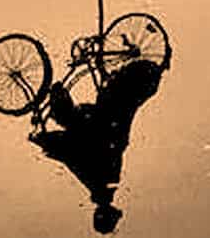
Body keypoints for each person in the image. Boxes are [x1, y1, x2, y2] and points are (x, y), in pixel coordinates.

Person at [28, 57, 165, 233]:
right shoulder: (100, 183)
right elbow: (75, 158)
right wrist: (47, 144)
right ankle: (61, 91)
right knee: (66, 114)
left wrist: (50, 145)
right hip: (101, 123)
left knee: (69, 116)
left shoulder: (106, 184)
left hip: (105, 122)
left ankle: (64, 92)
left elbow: (75, 157)